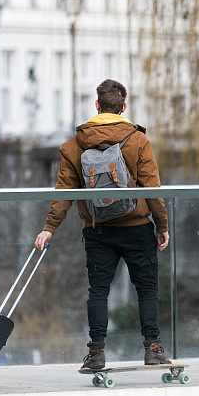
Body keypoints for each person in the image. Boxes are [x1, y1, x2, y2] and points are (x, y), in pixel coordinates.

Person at [34, 79, 171, 369]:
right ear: (123, 108)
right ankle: (153, 350)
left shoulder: (74, 144)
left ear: (97, 106)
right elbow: (152, 189)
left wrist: (49, 228)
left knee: (98, 291)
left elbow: (64, 191)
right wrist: (162, 225)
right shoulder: (138, 140)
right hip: (136, 228)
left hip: (98, 230)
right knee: (146, 289)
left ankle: (96, 352)